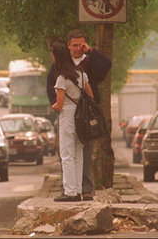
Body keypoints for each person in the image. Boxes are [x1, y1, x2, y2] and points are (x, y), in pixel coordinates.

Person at [47, 29, 112, 201]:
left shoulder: (86, 64)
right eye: (75, 45)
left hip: (74, 114)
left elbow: (106, 65)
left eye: (81, 45)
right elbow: (89, 94)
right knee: (78, 152)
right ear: (68, 46)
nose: (78, 48)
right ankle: (72, 188)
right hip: (79, 112)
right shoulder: (78, 72)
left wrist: (90, 50)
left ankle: (77, 190)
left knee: (72, 153)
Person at [51, 42, 94, 202]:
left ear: (57, 57)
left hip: (68, 117)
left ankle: (70, 192)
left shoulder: (62, 78)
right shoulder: (81, 74)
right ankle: (78, 190)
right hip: (81, 116)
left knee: (67, 155)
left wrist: (53, 106)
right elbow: (91, 96)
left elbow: (59, 104)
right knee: (78, 154)